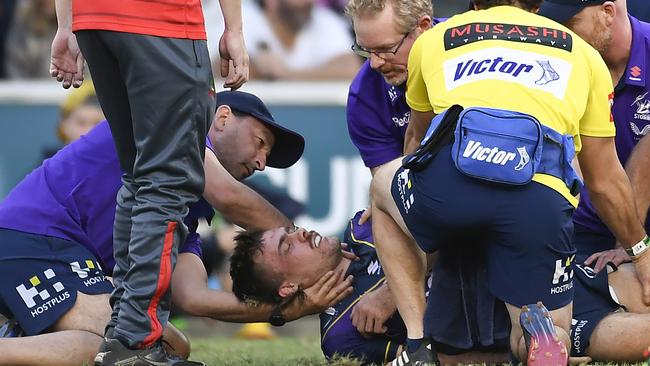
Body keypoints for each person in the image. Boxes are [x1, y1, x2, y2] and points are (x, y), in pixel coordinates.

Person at [371, 0, 650, 365]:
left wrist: (419, 220)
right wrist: (640, 252)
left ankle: (418, 342)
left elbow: (417, 143)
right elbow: (604, 180)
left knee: (382, 186)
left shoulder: (435, 38)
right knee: (552, 325)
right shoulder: (583, 54)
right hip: (539, 202)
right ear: (538, 4)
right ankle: (543, 335)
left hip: (452, 189)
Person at [0, 91, 353, 366]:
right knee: (127, 346)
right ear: (223, 118)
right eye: (261, 143)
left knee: (169, 346)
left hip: (59, 255)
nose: (261, 162)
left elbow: (193, 298)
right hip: (29, 240)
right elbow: (228, 196)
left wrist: (285, 312)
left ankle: (14, 334)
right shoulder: (177, 128)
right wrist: (303, 240)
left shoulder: (187, 208)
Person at [49, 0, 250, 363]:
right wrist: (234, 29)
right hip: (162, 20)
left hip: (93, 19)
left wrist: (67, 23)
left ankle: (124, 332)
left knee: (140, 177)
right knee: (165, 182)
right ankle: (136, 340)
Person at [344, 0, 511, 360]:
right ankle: (422, 346)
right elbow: (404, 200)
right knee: (382, 196)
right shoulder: (365, 96)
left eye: (386, 49)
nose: (375, 64)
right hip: (449, 213)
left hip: (512, 193)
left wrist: (390, 292)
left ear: (423, 26)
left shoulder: (476, 46)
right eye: (364, 50)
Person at [229, 210, 510, 365]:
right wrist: (517, 353)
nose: (300, 232)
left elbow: (455, 222)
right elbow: (433, 361)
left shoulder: (361, 228)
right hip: (508, 328)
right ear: (288, 287)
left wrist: (392, 291)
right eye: (287, 245)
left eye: (290, 230)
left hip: (513, 263)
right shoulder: (340, 336)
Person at [537, 0, 650, 361]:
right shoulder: (557, 64)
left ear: (607, 11)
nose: (562, 36)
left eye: (571, 23)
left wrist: (633, 246)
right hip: (581, 237)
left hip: (634, 236)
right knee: (561, 318)